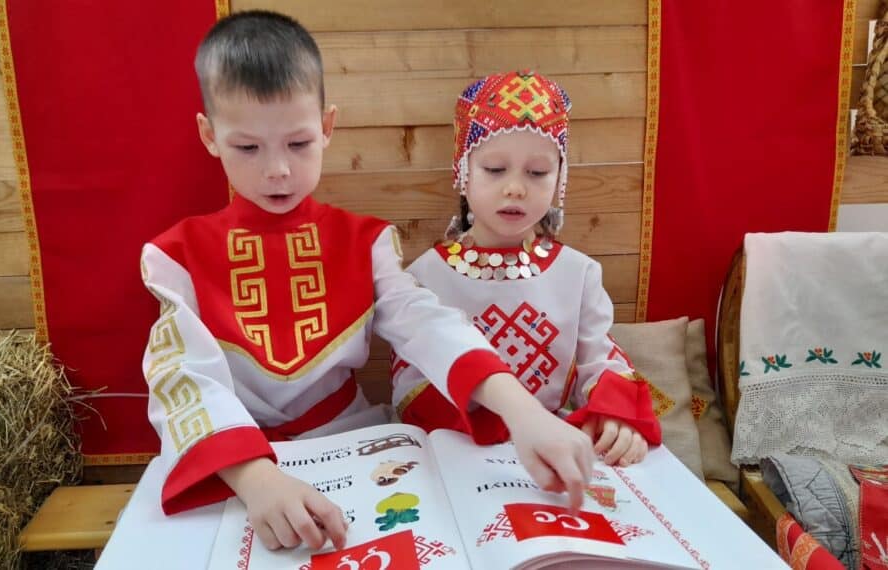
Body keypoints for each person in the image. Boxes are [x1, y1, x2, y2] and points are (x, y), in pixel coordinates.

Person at [141, 14, 598, 554]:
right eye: (248, 148)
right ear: (209, 135)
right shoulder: (176, 255)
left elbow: (425, 322)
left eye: (298, 143)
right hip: (231, 460)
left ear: (327, 127)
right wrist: (254, 477)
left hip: (353, 442)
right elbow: (182, 377)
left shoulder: (366, 242)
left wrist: (521, 411)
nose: (277, 170)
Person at [392, 70, 662, 474]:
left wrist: (616, 417)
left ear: (560, 179)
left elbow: (601, 360)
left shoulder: (578, 274)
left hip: (554, 456)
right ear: (463, 171)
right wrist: (509, 422)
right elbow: (409, 389)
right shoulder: (425, 278)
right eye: (495, 169)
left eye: (537, 173)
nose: (516, 188)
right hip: (459, 454)